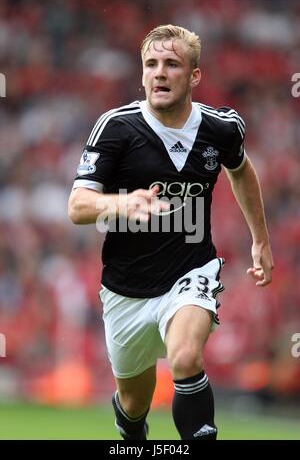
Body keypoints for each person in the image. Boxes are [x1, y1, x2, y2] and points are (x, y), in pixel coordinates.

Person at [68, 24, 274, 440]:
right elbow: (77, 206)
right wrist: (121, 203)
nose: (160, 73)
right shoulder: (116, 127)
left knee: (184, 358)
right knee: (134, 403)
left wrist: (261, 239)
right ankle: (132, 434)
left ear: (194, 75)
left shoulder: (222, 128)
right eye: (151, 64)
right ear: (142, 74)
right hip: (125, 289)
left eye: (172, 64)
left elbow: (240, 171)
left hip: (190, 272)